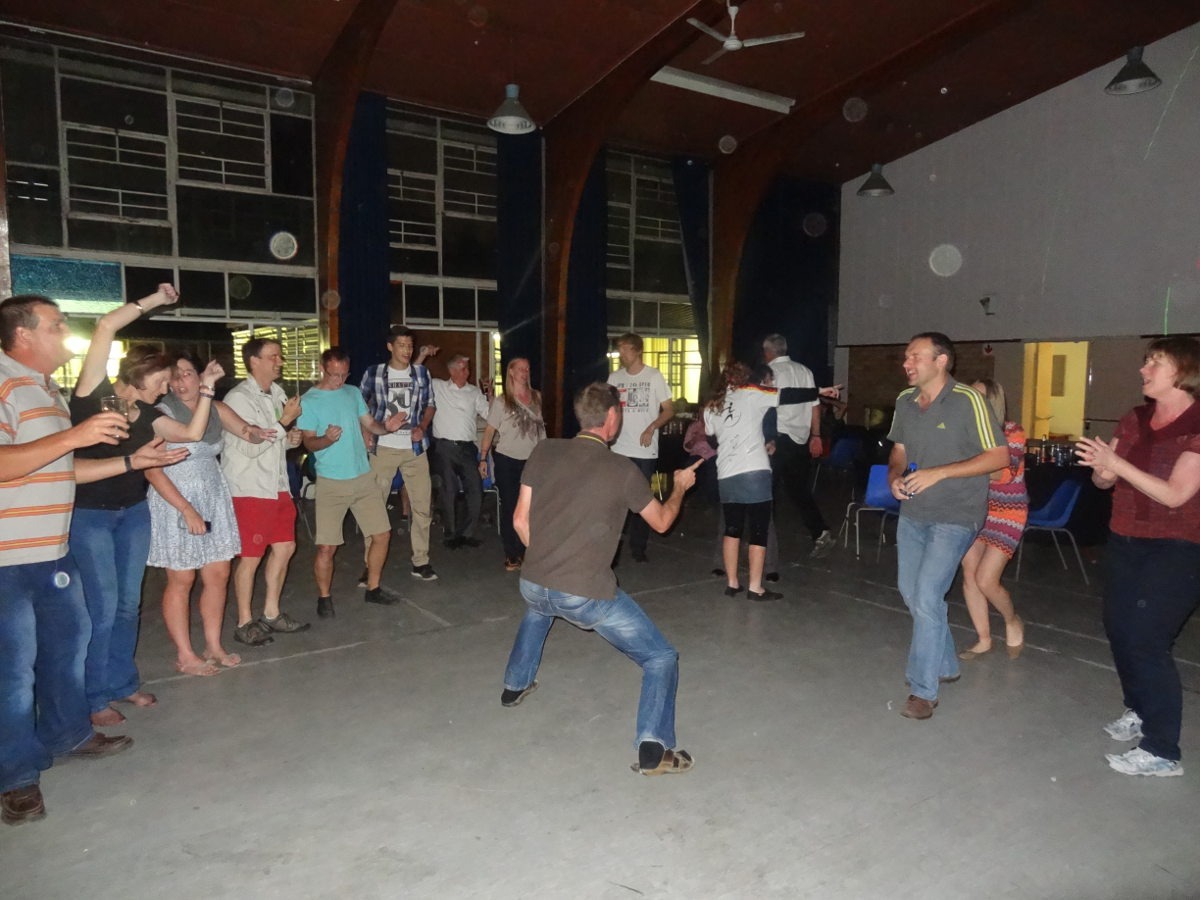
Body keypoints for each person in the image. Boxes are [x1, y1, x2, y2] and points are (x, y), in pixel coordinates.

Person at [1, 293, 187, 827]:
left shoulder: (45, 390)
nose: (66, 333)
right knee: (13, 673)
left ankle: (68, 733)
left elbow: (63, 469)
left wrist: (132, 461)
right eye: (57, 325)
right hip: (8, 556)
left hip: (52, 548)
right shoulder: (4, 384)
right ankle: (15, 776)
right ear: (23, 334)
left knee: (69, 647)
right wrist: (75, 435)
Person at [500, 383, 700, 775]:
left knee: (540, 606)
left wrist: (549, 560)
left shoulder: (544, 450)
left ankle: (514, 685)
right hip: (583, 594)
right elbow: (662, 522)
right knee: (661, 658)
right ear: (611, 418)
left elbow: (520, 520)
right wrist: (678, 488)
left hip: (532, 581)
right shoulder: (622, 469)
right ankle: (655, 749)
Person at [69, 287, 228, 728]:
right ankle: (94, 697)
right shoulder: (93, 392)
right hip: (91, 515)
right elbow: (105, 326)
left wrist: (208, 391)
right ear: (137, 375)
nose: (165, 389)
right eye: (159, 382)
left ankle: (122, 682)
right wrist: (156, 300)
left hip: (133, 513)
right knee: (102, 607)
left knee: (127, 605)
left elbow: (191, 434)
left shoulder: (147, 413)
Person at [1075, 336, 1200, 777]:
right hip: (1125, 538)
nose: (1144, 370)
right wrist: (1102, 471)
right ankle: (1139, 709)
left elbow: (1175, 494)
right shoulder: (1135, 418)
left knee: (1147, 640)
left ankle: (1163, 751)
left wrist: (1117, 464)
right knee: (1120, 631)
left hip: (1179, 546)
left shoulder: (1197, 423)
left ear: (1183, 371)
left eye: (1155, 362)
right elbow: (1105, 481)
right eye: (1146, 361)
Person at [887, 332, 1006, 721]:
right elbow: (899, 451)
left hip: (957, 514)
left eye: (915, 356)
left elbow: (999, 457)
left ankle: (923, 691)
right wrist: (894, 476)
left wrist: (939, 473)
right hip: (915, 512)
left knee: (926, 595)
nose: (907, 363)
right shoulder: (905, 401)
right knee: (913, 593)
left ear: (941, 361)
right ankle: (947, 662)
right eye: (906, 356)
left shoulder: (968, 400)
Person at [144, 353, 275, 676]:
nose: (180, 381)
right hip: (175, 498)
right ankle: (185, 654)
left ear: (200, 375)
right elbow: (151, 470)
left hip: (212, 496)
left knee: (218, 574)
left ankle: (213, 645)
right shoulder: (161, 414)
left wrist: (262, 431)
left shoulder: (215, 409)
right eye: (174, 375)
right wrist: (185, 508)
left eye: (187, 373)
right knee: (182, 578)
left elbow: (246, 431)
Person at [704, 362, 836, 600]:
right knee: (758, 530)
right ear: (746, 378)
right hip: (754, 471)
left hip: (726, 472)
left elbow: (711, 437)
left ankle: (732, 583)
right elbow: (787, 395)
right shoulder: (753, 392)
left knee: (732, 528)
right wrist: (818, 391)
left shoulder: (712, 405)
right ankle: (755, 588)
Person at [299, 348, 408, 615]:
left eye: (344, 374)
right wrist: (327, 439)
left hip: (362, 477)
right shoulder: (309, 401)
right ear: (322, 369)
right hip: (331, 482)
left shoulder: (352, 393)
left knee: (382, 535)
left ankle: (373, 588)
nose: (339, 380)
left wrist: (387, 428)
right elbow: (308, 443)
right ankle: (324, 598)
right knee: (327, 548)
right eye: (334, 374)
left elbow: (370, 425)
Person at [221, 337, 307, 640]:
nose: (280, 362)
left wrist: (290, 440)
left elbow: (275, 441)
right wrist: (284, 423)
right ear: (253, 361)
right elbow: (251, 446)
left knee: (285, 547)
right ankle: (244, 622)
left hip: (276, 484)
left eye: (279, 356)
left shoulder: (277, 393)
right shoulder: (238, 398)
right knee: (251, 555)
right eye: (273, 356)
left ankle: (271, 613)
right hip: (250, 487)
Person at [359, 325, 438, 582]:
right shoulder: (374, 372)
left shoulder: (421, 373)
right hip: (383, 448)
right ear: (390, 346)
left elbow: (430, 405)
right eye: (402, 345)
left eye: (410, 346)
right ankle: (369, 564)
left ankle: (421, 561)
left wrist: (422, 427)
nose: (407, 350)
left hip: (415, 450)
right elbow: (360, 406)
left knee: (422, 506)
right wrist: (366, 431)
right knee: (374, 506)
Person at [957, 378, 1027, 660]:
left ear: (992, 402)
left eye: (978, 396)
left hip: (1008, 512)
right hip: (976, 508)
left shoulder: (1012, 432)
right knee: (970, 574)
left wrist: (959, 466)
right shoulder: (966, 431)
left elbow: (1003, 473)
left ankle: (1012, 619)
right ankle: (984, 639)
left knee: (986, 579)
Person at [762, 333, 837, 559]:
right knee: (799, 489)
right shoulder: (805, 371)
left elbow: (767, 406)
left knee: (766, 491)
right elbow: (815, 405)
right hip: (800, 440)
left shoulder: (769, 373)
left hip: (777, 440)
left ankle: (762, 542)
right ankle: (820, 532)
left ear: (768, 352)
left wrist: (766, 438)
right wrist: (816, 435)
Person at [608, 333, 674, 563]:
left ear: (637, 351)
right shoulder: (614, 378)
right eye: (619, 349)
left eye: (626, 349)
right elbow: (607, 408)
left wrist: (651, 427)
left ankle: (638, 547)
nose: (621, 353)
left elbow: (669, 409)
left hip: (644, 450)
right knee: (615, 500)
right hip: (618, 448)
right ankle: (611, 549)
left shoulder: (654, 376)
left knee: (642, 499)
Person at [479, 357, 546, 571]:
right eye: (520, 369)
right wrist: (483, 457)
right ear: (511, 372)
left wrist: (546, 455)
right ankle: (512, 554)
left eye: (527, 368)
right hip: (507, 459)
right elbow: (490, 430)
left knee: (532, 507)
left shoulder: (536, 397)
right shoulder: (502, 401)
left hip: (532, 460)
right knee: (510, 507)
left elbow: (541, 429)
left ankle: (528, 550)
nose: (525, 372)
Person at [428, 352, 490, 549]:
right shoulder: (438, 386)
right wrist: (422, 355)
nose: (467, 373)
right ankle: (451, 534)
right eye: (463, 369)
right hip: (444, 447)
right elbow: (415, 375)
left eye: (467, 369)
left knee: (475, 488)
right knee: (449, 489)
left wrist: (491, 396)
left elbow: (489, 413)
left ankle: (467, 533)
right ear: (452, 371)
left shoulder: (474, 392)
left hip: (467, 448)